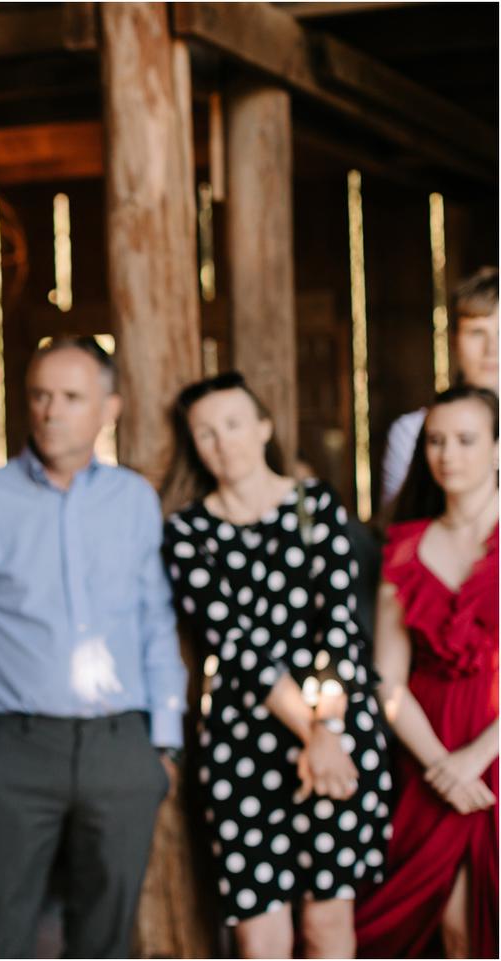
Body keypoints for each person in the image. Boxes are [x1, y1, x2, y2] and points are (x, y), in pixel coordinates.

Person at [0, 336, 188, 959]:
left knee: (105, 939)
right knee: (3, 936)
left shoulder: (135, 502)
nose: (50, 410)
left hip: (123, 749)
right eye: (40, 395)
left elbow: (155, 624)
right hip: (15, 748)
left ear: (108, 408)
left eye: (70, 397)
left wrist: (163, 744)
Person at [160, 372, 390, 958]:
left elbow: (340, 629)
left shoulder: (316, 507)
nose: (223, 442)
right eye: (206, 432)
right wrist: (313, 731)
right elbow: (239, 648)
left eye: (233, 424)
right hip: (245, 741)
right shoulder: (190, 533)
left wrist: (329, 732)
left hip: (337, 732)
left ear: (263, 426)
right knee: (262, 937)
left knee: (327, 926)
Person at [356, 385, 498, 960]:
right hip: (428, 748)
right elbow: (388, 680)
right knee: (453, 927)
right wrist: (443, 765)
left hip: (492, 743)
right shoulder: (405, 547)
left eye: (466, 440)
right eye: (435, 441)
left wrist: (476, 758)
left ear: (495, 447)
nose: (449, 455)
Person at [381, 267, 498, 508]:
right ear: (454, 340)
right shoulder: (413, 431)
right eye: (477, 333)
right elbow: (399, 528)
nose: (492, 349)